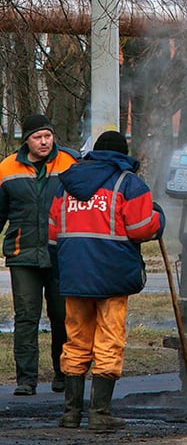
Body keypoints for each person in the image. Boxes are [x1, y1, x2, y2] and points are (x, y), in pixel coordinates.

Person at [48, 130, 165, 431]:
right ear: (122, 154)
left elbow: (53, 232)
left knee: (76, 340)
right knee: (109, 340)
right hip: (112, 276)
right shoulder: (129, 184)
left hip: (75, 275)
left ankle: (71, 413)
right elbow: (140, 229)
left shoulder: (65, 185)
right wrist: (159, 219)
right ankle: (100, 414)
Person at [0, 113, 77, 396]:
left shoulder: (70, 164)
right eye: (38, 137)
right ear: (26, 140)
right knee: (26, 317)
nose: (44, 142)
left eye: (48, 136)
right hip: (23, 254)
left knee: (62, 316)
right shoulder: (7, 168)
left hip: (60, 253)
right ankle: (26, 380)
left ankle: (63, 374)